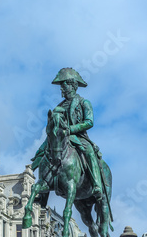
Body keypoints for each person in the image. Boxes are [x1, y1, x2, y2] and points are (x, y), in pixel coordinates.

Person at [32, 68, 103, 200]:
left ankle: (96, 185)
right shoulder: (59, 107)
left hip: (78, 137)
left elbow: (89, 122)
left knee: (89, 152)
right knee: (44, 154)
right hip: (60, 137)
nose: (61, 89)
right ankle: (42, 196)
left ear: (73, 86)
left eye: (64, 85)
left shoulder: (84, 103)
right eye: (61, 86)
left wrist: (71, 129)